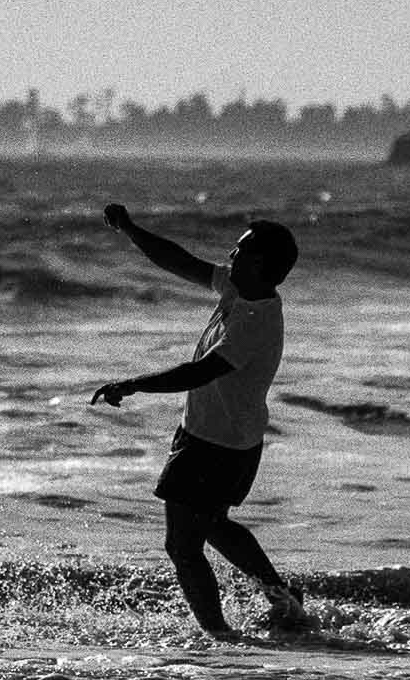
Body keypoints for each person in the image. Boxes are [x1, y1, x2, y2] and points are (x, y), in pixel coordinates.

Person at [90, 203, 312, 638]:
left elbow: (201, 371)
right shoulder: (241, 289)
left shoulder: (255, 319)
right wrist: (133, 230)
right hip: (226, 438)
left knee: (182, 545)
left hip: (216, 444)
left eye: (241, 250)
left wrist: (132, 384)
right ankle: (282, 596)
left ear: (261, 264)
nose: (231, 255)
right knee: (213, 525)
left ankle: (218, 635)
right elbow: (183, 262)